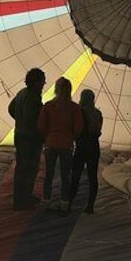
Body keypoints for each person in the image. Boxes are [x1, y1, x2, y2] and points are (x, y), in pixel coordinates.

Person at [38, 77, 82, 208]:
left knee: (49, 174)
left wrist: (47, 137)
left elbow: (40, 125)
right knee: (65, 175)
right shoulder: (74, 108)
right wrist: (71, 137)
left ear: (56, 89)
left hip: (50, 143)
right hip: (67, 144)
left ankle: (46, 201)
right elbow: (79, 127)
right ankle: (64, 203)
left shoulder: (48, 106)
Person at [8, 67, 45, 210]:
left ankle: (21, 197)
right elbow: (32, 119)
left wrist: (19, 120)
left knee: (22, 167)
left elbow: (10, 108)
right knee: (29, 168)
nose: (43, 85)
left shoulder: (21, 93)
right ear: (36, 82)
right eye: (42, 82)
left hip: (20, 134)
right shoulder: (32, 97)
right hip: (30, 138)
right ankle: (23, 199)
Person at [68, 89, 103, 214]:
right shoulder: (98, 113)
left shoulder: (79, 112)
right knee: (92, 177)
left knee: (75, 176)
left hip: (82, 147)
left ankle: (69, 203)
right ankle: (90, 206)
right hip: (94, 146)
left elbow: (76, 130)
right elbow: (98, 131)